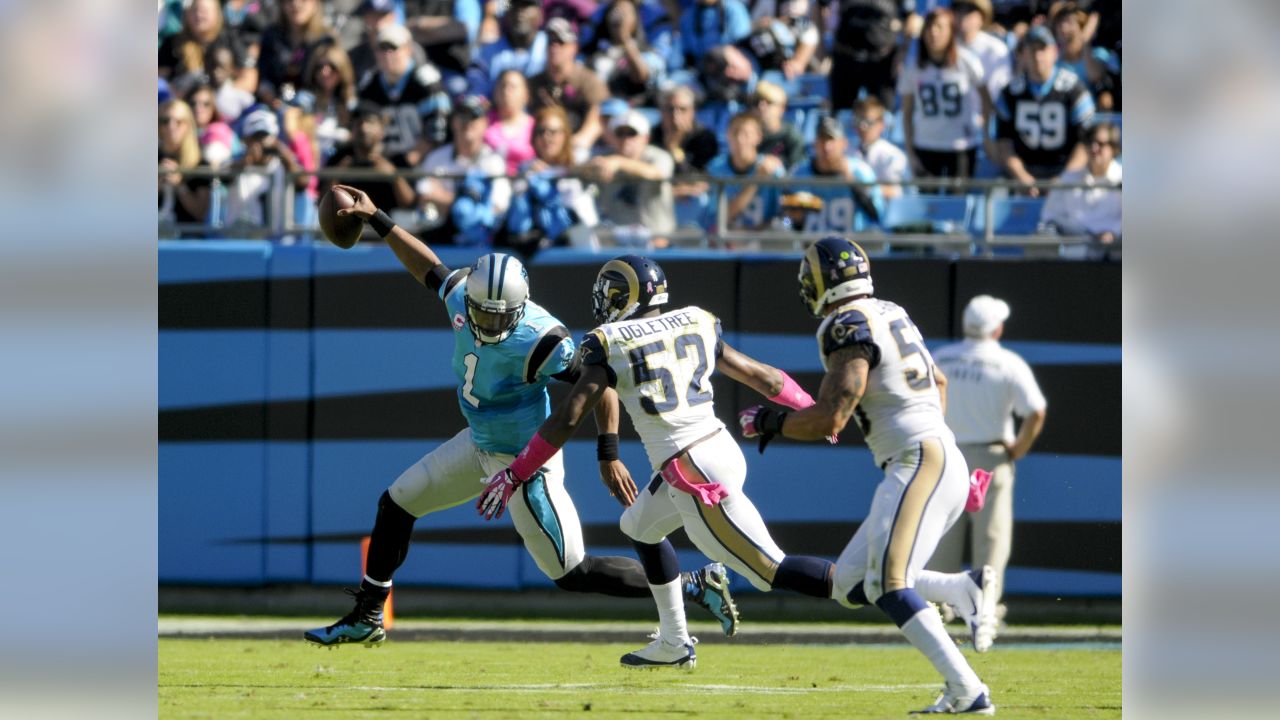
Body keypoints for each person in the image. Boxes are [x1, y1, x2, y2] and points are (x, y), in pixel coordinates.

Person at [304, 192, 739, 647]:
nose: (489, 327)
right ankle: (369, 616)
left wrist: (608, 452)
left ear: (520, 307)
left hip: (525, 463)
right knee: (395, 505)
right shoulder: (460, 296)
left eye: (499, 318)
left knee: (572, 572)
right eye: (481, 315)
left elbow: (603, 383)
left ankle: (693, 584)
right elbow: (428, 267)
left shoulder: (542, 338)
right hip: (479, 444)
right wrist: (377, 216)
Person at [476, 255, 848, 668]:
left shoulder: (611, 339)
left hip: (694, 473)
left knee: (770, 571)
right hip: (715, 450)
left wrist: (516, 472)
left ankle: (882, 588)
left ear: (622, 295)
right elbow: (762, 376)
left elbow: (569, 417)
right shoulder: (695, 320)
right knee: (637, 525)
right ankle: (674, 640)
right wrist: (809, 407)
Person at [736, 236, 998, 713]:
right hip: (933, 455)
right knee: (851, 586)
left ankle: (968, 691)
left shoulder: (845, 325)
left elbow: (832, 417)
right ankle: (962, 587)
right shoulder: (890, 311)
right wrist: (940, 447)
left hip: (918, 460)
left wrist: (770, 421)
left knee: (890, 585)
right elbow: (937, 382)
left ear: (823, 281)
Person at [928, 294, 1047, 624]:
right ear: (997, 330)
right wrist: (1018, 449)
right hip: (990, 457)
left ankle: (939, 607)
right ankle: (984, 608)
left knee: (940, 531)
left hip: (946, 455)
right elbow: (1036, 410)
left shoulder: (941, 358)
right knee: (991, 538)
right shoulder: (1008, 363)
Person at [992, 26, 1095, 192]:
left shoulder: (1074, 90)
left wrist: (1064, 178)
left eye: (1043, 50)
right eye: (1032, 50)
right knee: (995, 193)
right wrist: (1022, 176)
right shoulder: (1010, 93)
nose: (1038, 56)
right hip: (1022, 171)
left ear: (1054, 52)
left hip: (1065, 171)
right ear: (1024, 55)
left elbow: (1085, 143)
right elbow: (1004, 144)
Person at [899, 8, 993, 183]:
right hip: (925, 145)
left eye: (940, 27)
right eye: (929, 27)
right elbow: (906, 112)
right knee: (926, 207)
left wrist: (986, 135)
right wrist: (910, 152)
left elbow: (987, 100)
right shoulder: (914, 67)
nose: (934, 33)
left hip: (960, 146)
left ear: (951, 31)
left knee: (958, 205)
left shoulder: (966, 61)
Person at [497, 106, 601, 257]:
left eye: (553, 132)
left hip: (581, 248)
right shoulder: (526, 169)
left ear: (565, 135)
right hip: (541, 252)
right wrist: (526, 181)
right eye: (541, 131)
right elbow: (516, 221)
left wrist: (560, 172)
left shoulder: (580, 161)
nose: (547, 137)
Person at [415, 95, 509, 246]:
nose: (467, 122)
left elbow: (497, 207)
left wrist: (447, 201)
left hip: (483, 243)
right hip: (441, 241)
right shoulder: (435, 158)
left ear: (485, 123)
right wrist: (468, 202)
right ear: (453, 122)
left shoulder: (494, 161)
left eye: (474, 116)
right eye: (462, 116)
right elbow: (425, 202)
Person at [356, 23, 450, 167]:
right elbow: (362, 126)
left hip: (426, 162)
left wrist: (406, 162)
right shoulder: (369, 85)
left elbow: (437, 132)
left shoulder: (426, 82)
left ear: (408, 50)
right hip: (383, 162)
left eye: (393, 48)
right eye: (382, 49)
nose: (387, 55)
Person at [585, 110, 677, 242]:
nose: (625, 139)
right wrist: (590, 169)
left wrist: (619, 162)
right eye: (620, 134)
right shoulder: (605, 158)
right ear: (612, 137)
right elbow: (578, 172)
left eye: (632, 134)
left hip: (657, 240)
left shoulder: (660, 157)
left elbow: (656, 174)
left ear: (646, 138)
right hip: (616, 242)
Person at [323, 100, 418, 223]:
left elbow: (409, 204)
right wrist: (335, 178)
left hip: (387, 233)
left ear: (382, 129)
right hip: (348, 231)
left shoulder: (397, 159)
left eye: (370, 122)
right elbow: (323, 204)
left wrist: (394, 177)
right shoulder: (338, 158)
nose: (364, 128)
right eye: (358, 123)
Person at [1039, 121, 1121, 259]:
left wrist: (1113, 233)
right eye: (1090, 143)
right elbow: (1049, 217)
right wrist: (1083, 236)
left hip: (1116, 252)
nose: (1094, 148)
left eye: (1101, 144)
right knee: (1040, 242)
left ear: (1114, 149)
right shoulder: (1068, 179)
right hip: (1075, 251)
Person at [527, 18, 608, 159]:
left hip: (578, 149)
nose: (554, 47)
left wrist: (573, 144)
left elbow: (597, 121)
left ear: (574, 47)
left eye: (561, 42)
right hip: (540, 148)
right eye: (550, 42)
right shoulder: (534, 83)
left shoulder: (588, 80)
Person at [790, 116, 884, 233]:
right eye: (822, 140)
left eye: (832, 140)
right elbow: (790, 222)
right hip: (812, 246)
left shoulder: (861, 172)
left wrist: (852, 183)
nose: (827, 147)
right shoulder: (800, 173)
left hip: (851, 246)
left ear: (844, 143)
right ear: (815, 143)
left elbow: (876, 215)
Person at [704, 111, 785, 232]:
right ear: (727, 135)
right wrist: (756, 180)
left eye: (746, 134)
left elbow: (782, 216)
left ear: (758, 137)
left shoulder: (773, 170)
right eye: (735, 132)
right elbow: (719, 219)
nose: (740, 139)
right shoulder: (716, 168)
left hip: (763, 240)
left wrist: (752, 235)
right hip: (727, 241)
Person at [158, 0, 258, 96]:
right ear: (187, 14)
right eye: (194, 11)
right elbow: (160, 78)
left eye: (204, 11)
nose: (199, 15)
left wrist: (222, 96)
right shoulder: (174, 41)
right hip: (185, 102)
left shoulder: (230, 39)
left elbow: (249, 78)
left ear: (216, 13)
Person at [828, 0, 911, 110]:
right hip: (846, 56)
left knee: (883, 114)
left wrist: (902, 54)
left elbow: (911, 18)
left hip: (882, 60)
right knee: (842, 115)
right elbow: (820, 6)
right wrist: (820, 48)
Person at [585, 0, 667, 106]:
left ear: (635, 20)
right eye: (615, 11)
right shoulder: (595, 53)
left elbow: (640, 76)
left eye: (626, 12)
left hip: (634, 110)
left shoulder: (647, 52)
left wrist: (624, 38)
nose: (619, 16)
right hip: (601, 109)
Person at [468, 0, 548, 98]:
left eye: (526, 6)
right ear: (506, 13)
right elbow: (477, 94)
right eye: (513, 6)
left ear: (540, 14)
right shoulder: (487, 53)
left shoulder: (553, 46)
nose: (519, 12)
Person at [157, 99, 213, 234]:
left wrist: (180, 185)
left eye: (178, 122)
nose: (171, 126)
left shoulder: (200, 163)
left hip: (187, 241)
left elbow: (200, 213)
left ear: (188, 125)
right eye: (165, 121)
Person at [345, 0, 430, 84]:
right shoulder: (356, 55)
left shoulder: (410, 48)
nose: (378, 22)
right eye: (373, 16)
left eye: (382, 15)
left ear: (393, 16)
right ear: (365, 18)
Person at [851, 97, 910, 200]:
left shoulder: (892, 154)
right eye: (858, 121)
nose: (862, 127)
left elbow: (895, 192)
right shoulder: (847, 151)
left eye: (868, 122)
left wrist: (862, 189)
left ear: (881, 124)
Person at [954, 0, 1012, 98]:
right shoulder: (947, 47)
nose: (962, 14)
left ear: (982, 17)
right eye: (958, 8)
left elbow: (999, 92)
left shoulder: (996, 49)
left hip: (987, 110)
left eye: (969, 10)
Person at [484, 69, 537, 176]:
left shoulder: (536, 127)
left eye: (512, 87)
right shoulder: (482, 121)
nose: (506, 91)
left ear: (526, 95)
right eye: (503, 86)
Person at [753, 80, 806, 172]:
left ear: (782, 108)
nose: (761, 107)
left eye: (769, 102)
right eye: (757, 102)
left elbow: (797, 172)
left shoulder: (791, 136)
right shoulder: (746, 134)